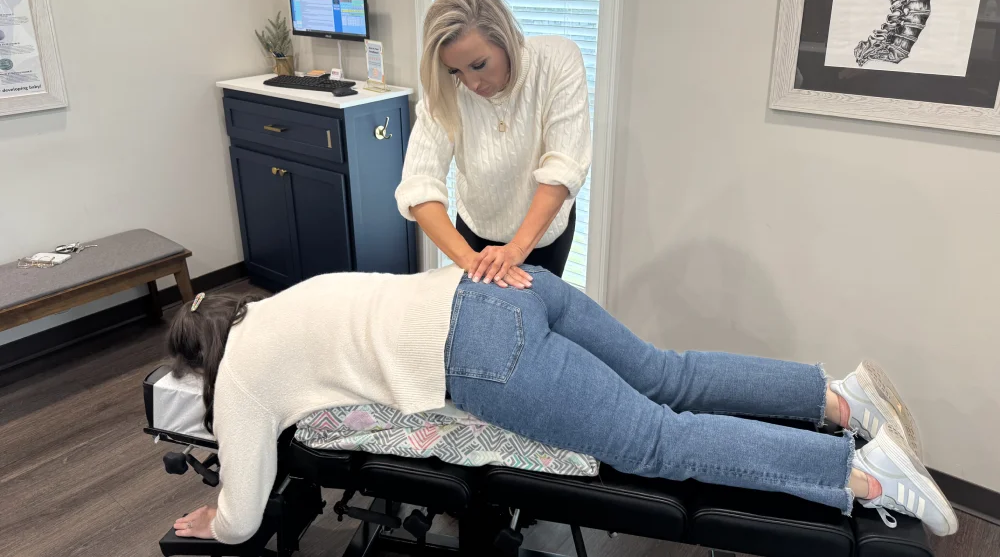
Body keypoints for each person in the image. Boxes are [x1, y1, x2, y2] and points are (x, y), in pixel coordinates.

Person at [168, 265, 957, 543]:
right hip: (509, 288)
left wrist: (212, 518)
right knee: (669, 374)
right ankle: (839, 398)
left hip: (483, 357)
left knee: (656, 441)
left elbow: (239, 516)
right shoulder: (281, 302)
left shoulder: (239, 373)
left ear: (202, 362)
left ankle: (864, 475)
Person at [395, 0, 592, 287]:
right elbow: (418, 184)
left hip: (544, 232)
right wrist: (469, 260)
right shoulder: (447, 89)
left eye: (479, 65)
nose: (471, 83)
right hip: (475, 231)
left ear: (506, 39)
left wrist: (516, 249)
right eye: (455, 71)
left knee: (538, 320)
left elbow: (563, 167)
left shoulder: (557, 61)